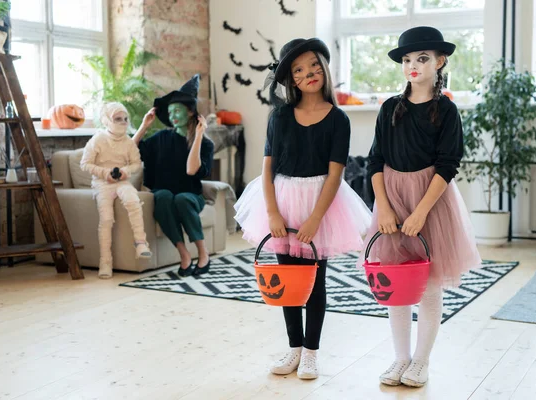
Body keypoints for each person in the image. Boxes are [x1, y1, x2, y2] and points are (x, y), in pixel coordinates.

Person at [234, 38, 372, 380]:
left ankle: (311, 351)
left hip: (320, 203)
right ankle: (294, 347)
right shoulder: (279, 116)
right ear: (291, 80)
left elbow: (336, 173)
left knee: (314, 281)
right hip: (282, 199)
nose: (308, 73)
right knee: (288, 279)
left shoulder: (338, 119)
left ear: (323, 68)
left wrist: (315, 218)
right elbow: (267, 168)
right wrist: (273, 213)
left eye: (313, 65)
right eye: (298, 69)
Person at [359, 26, 482, 387]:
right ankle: (400, 358)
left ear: (439, 61)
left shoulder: (446, 110)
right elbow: (375, 160)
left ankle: (421, 362)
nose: (413, 66)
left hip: (431, 199)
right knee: (396, 281)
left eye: (422, 59)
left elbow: (448, 164)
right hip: (392, 197)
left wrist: (421, 211)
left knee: (428, 284)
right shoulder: (388, 109)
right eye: (408, 60)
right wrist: (383, 207)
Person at [133, 74, 214, 277]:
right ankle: (184, 254)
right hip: (164, 192)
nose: (173, 116)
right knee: (163, 196)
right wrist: (144, 125)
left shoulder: (205, 144)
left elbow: (191, 170)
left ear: (190, 113)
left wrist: (198, 135)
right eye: (170, 112)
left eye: (177, 110)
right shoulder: (161, 138)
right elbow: (130, 150)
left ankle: (203, 254)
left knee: (182, 199)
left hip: (191, 196)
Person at [80, 102, 152, 279]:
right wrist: (104, 173)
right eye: (117, 119)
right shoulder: (98, 140)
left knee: (133, 201)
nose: (123, 122)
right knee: (106, 219)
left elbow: (136, 163)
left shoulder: (128, 142)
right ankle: (105, 262)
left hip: (122, 182)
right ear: (106, 120)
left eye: (125, 119)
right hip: (102, 184)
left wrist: (125, 172)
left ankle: (141, 243)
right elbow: (85, 163)